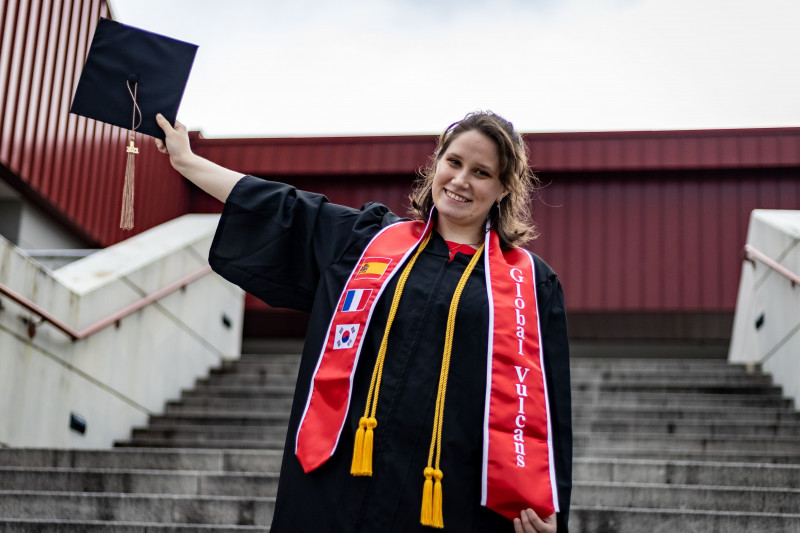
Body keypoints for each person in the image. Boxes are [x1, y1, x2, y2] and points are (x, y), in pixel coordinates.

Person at [155, 111, 572, 533]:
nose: (461, 180)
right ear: (436, 165)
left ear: (503, 189)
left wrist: (546, 503)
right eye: (454, 162)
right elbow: (285, 208)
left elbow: (545, 407)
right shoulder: (368, 241)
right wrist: (188, 162)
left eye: (481, 172)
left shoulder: (530, 285)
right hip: (340, 480)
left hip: (451, 496)